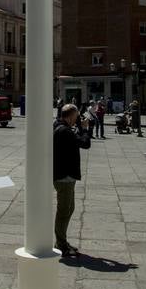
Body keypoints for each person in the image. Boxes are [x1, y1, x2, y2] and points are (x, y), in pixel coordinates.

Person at [53, 103, 91, 257]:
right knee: (64, 211)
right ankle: (60, 244)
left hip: (63, 175)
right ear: (70, 117)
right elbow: (85, 143)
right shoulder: (65, 131)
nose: (77, 119)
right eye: (76, 117)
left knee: (69, 208)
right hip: (65, 176)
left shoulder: (58, 126)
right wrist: (85, 128)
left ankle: (62, 240)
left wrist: (79, 127)